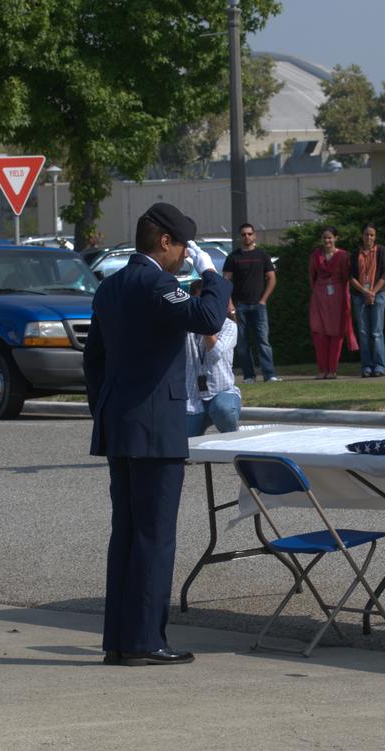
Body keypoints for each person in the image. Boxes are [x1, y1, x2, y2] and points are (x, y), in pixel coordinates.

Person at [84, 202, 231, 666]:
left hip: (121, 423)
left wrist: (106, 410)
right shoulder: (156, 282)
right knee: (154, 536)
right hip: (154, 426)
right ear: (163, 242)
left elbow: (94, 360)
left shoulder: (109, 287)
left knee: (126, 534)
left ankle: (120, 640)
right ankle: (146, 641)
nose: (186, 253)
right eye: (183, 245)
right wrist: (212, 276)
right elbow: (209, 318)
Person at [222, 223, 279, 383]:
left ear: (254, 236)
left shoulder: (262, 255)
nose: (246, 237)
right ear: (240, 237)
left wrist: (263, 300)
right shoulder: (233, 257)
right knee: (242, 343)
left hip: (258, 305)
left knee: (263, 341)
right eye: (243, 234)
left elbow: (272, 278)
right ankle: (249, 376)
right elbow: (225, 282)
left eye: (249, 234)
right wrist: (230, 304)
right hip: (239, 305)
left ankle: (269, 374)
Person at [185, 291, 242, 437]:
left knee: (223, 408)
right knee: (185, 449)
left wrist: (206, 325)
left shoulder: (228, 326)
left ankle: (232, 441)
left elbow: (215, 354)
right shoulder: (184, 327)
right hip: (193, 399)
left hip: (221, 393)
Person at [307, 226, 357, 380]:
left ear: (336, 238)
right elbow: (311, 276)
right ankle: (322, 369)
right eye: (324, 238)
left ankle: (332, 370)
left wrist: (341, 293)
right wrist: (318, 290)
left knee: (336, 332)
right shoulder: (315, 255)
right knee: (319, 331)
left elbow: (345, 277)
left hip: (337, 296)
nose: (327, 240)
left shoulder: (343, 256)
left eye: (330, 237)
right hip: (319, 296)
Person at [349, 223, 385, 377]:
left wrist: (373, 291)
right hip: (359, 296)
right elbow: (351, 277)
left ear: (375, 236)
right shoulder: (355, 254)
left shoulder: (381, 251)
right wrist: (364, 291)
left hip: (378, 295)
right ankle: (366, 367)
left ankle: (379, 366)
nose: (369, 237)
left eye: (372, 234)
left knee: (377, 332)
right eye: (366, 234)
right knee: (363, 333)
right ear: (362, 236)